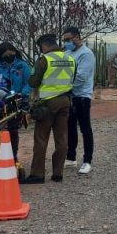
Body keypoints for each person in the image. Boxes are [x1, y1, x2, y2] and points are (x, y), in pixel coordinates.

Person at [21, 34, 75, 184]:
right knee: (62, 139)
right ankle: (58, 173)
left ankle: (37, 174)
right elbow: (73, 79)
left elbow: (33, 82)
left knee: (41, 139)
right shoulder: (70, 59)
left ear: (44, 45)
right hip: (65, 102)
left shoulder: (44, 60)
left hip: (47, 104)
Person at [0, 42, 32, 157]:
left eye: (11, 54)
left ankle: (13, 156)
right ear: (0, 55)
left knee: (13, 130)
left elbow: (29, 83)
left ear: (15, 53)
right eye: (6, 55)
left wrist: (22, 94)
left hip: (16, 101)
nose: (9, 57)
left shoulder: (22, 65)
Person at [62, 26, 96, 175]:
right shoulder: (67, 53)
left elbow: (81, 77)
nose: (66, 42)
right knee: (70, 128)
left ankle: (87, 161)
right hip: (69, 96)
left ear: (77, 37)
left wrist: (64, 86)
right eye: (64, 40)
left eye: (68, 39)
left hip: (81, 96)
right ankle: (71, 157)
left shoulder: (86, 54)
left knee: (85, 128)